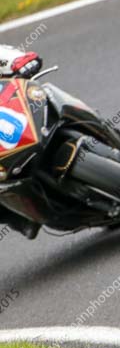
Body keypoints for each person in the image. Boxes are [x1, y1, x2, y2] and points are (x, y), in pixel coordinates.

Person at [0, 45, 44, 239]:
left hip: (12, 107)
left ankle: (97, 128)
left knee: (47, 95)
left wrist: (17, 60)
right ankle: (19, 218)